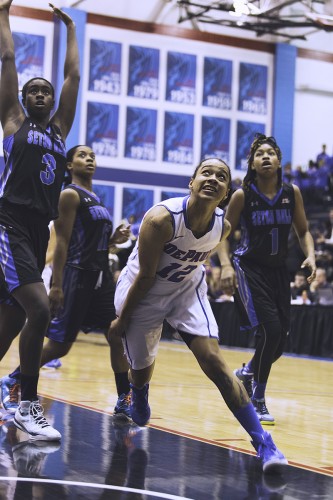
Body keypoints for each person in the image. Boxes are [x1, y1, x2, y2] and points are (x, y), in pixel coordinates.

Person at [109, 157, 288, 473]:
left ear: (225, 194)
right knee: (141, 370)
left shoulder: (223, 225)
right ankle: (139, 393)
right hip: (142, 292)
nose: (213, 178)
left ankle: (264, 443)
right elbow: (146, 276)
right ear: (190, 183)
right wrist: (123, 319)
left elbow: (209, 249)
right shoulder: (160, 220)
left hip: (185, 289)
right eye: (206, 172)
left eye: (222, 177)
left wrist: (223, 267)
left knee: (215, 363)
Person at [1, 145, 132, 420]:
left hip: (100, 277)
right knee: (60, 345)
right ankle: (14, 380)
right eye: (82, 156)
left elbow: (90, 243)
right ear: (69, 165)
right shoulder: (70, 195)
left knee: (116, 333)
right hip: (77, 276)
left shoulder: (95, 198)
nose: (89, 159)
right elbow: (62, 242)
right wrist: (57, 285)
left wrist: (112, 242)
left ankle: (124, 397)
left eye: (92, 156)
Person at [0, 1, 80, 440]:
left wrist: (69, 27)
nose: (42, 94)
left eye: (46, 91)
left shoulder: (60, 131)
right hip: (8, 223)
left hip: (35, 230)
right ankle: (27, 404)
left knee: (9, 325)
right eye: (33, 90)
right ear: (22, 99)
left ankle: (20, 399)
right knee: (40, 308)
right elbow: (8, 59)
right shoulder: (13, 122)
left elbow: (73, 77)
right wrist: (3, 13)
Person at [219, 133, 316, 425]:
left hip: (278, 271)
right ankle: (257, 399)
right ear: (252, 163)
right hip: (249, 268)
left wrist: (310, 255)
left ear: (278, 161)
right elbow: (222, 233)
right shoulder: (242, 195)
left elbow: (304, 231)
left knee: (279, 343)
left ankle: (247, 373)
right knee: (270, 331)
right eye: (259, 153)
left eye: (270, 153)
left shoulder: (292, 192)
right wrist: (225, 265)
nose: (265, 157)